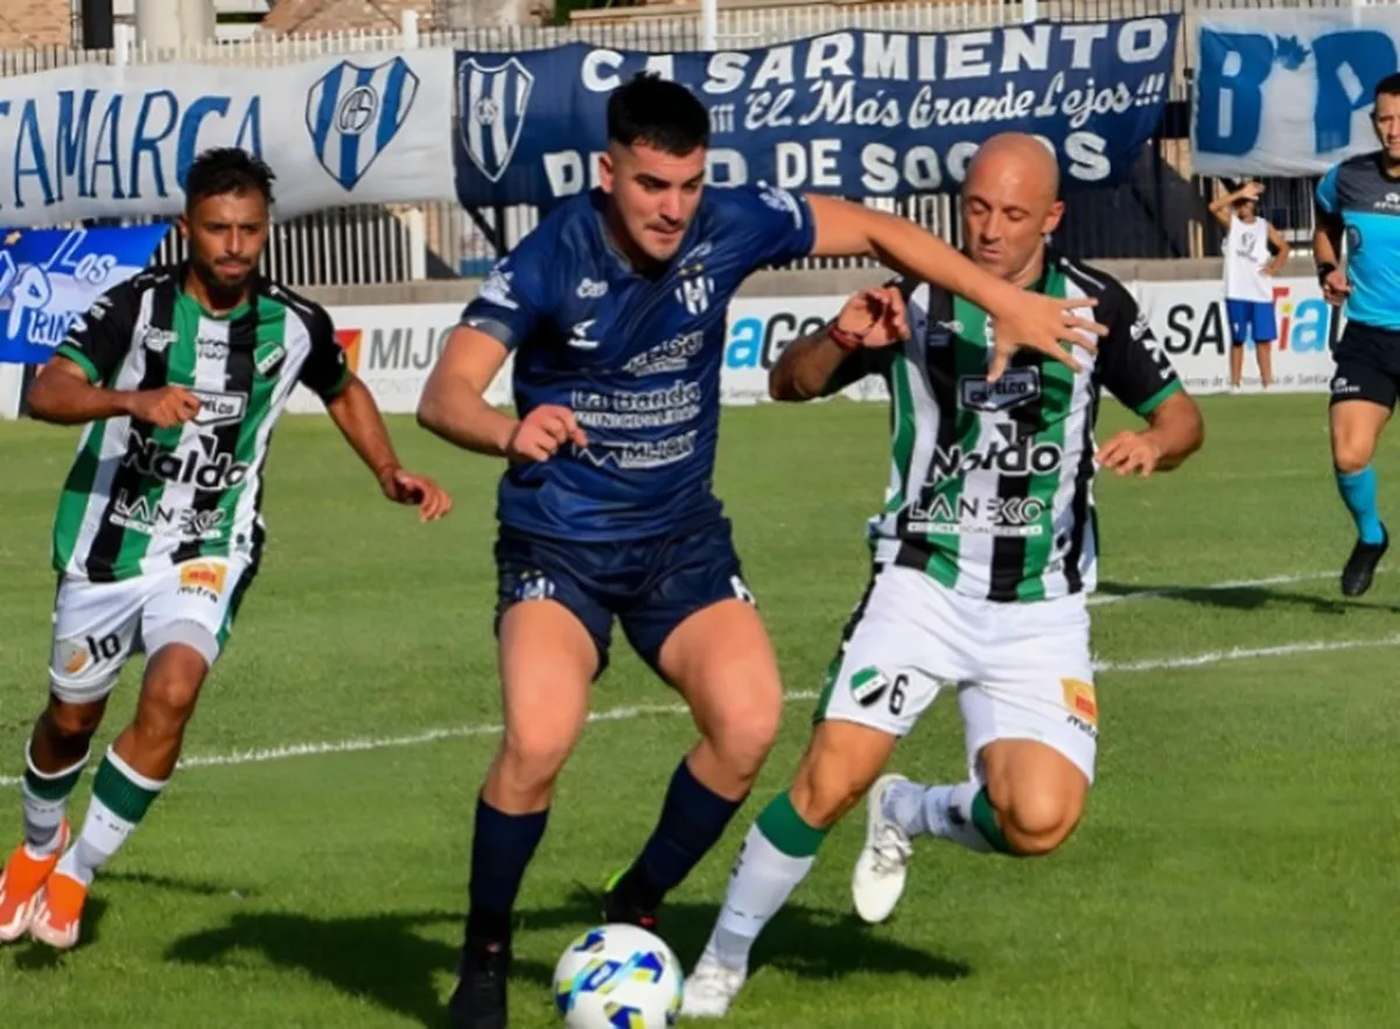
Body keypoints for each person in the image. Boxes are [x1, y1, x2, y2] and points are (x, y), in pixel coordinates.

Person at [416, 77, 1103, 1029]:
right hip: (561, 543)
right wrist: (507, 428)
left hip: (680, 541)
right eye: (653, 184)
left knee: (746, 729)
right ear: (608, 172)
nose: (672, 207)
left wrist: (1001, 302)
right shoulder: (546, 258)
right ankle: (485, 953)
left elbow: (871, 226)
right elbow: (444, 394)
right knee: (538, 739)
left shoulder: (728, 225)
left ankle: (637, 898)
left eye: (689, 185)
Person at [679, 132, 1206, 1017]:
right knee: (828, 778)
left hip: (1041, 609)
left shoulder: (1094, 304)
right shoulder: (919, 296)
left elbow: (1183, 416)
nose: (990, 230)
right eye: (976, 209)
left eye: (1011, 213)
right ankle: (721, 958)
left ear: (1052, 216)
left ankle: (913, 811)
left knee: (1039, 819)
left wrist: (1156, 440)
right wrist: (841, 335)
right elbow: (789, 383)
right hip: (921, 583)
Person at [0, 147, 452, 951]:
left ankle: (78, 873)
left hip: (212, 544)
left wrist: (387, 467)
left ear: (266, 229)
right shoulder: (137, 309)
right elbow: (48, 391)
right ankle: (37, 848)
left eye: (249, 229)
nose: (235, 245)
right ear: (188, 229)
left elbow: (342, 386)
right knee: (71, 721)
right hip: (107, 544)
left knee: (173, 690)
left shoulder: (294, 322)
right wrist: (132, 398)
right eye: (218, 229)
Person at [1315, 71, 1400, 596]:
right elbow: (1324, 222)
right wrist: (1327, 269)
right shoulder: (1348, 177)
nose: (1393, 130)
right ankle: (1371, 536)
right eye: (1385, 119)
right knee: (1349, 454)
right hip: (1368, 338)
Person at [1208, 179, 1290, 390]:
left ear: (1254, 205)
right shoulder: (1232, 224)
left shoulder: (1264, 226)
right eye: (1240, 203)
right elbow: (1213, 207)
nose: (1243, 207)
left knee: (1263, 341)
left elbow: (1283, 247)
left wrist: (1274, 267)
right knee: (1238, 340)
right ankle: (1235, 384)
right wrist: (1239, 193)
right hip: (1236, 291)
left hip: (1260, 292)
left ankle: (1268, 383)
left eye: (1247, 202)